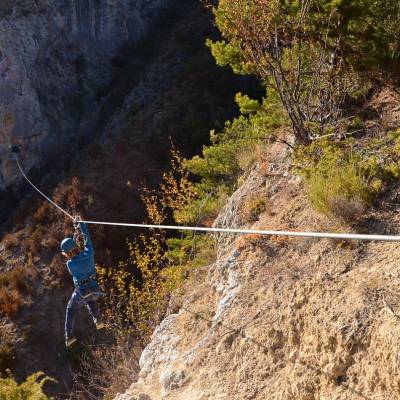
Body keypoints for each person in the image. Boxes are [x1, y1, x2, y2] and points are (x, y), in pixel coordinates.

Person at [61, 216, 105, 347]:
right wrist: (81, 225)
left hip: (81, 292)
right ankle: (97, 320)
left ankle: (69, 336)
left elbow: (74, 260)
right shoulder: (89, 253)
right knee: (90, 299)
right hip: (95, 290)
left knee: (70, 309)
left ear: (67, 253)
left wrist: (76, 233)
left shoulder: (70, 264)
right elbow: (87, 239)